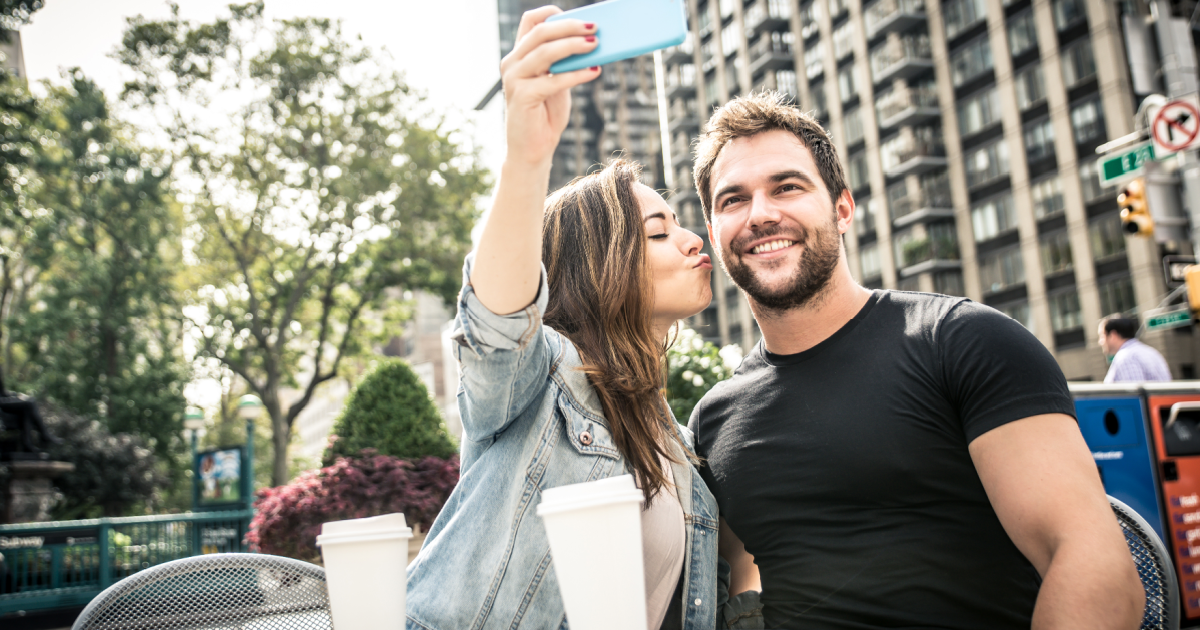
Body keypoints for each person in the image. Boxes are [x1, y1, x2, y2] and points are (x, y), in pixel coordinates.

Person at [687, 92, 1144, 630]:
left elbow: (1098, 568)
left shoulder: (965, 342)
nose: (761, 214)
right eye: (733, 200)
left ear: (842, 207)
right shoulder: (712, 420)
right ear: (714, 234)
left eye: (787, 187)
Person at [404, 7, 720, 630]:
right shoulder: (546, 377)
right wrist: (527, 157)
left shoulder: (678, 447)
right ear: (599, 264)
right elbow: (497, 325)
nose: (691, 240)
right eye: (659, 231)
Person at [1099, 316, 1172, 383]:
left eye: (1102, 336)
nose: (1100, 342)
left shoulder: (1126, 358)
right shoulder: (1151, 352)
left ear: (1113, 335)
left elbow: (1134, 395)